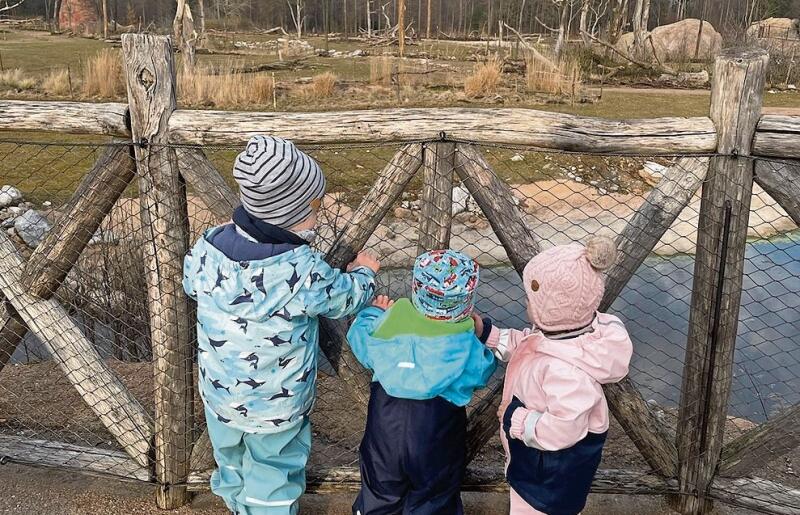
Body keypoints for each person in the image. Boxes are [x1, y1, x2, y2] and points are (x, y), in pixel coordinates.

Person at [182, 135, 379, 515]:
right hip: (277, 403)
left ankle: (237, 506)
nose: (317, 217)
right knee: (273, 471)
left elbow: (191, 282)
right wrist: (365, 275)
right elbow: (342, 299)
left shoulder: (209, 246)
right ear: (288, 214)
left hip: (221, 395)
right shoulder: (300, 270)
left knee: (231, 459)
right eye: (311, 209)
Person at [478, 237, 633, 515]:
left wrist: (515, 417)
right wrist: (488, 334)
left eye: (530, 297)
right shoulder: (565, 335)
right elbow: (527, 345)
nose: (526, 301)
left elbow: (564, 429)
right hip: (538, 461)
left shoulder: (566, 372)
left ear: (550, 307)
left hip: (549, 478)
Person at [346, 249, 497, 515]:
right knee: (432, 498)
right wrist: (481, 335)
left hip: (385, 430)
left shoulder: (390, 322)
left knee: (380, 492)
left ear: (416, 288)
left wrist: (371, 314)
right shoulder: (463, 342)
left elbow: (359, 340)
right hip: (435, 434)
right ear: (467, 302)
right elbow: (483, 371)